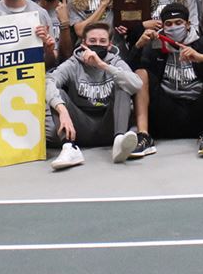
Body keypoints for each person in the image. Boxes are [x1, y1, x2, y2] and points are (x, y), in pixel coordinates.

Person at [134, 2, 203, 157]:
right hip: (166, 111)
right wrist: (138, 46)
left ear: (188, 25)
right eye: (168, 24)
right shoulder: (155, 46)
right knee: (140, 73)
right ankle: (143, 136)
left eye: (178, 23)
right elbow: (127, 74)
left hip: (197, 110)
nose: (173, 27)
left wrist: (202, 58)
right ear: (162, 27)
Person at [44, 23, 141, 170]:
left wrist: (103, 65)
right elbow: (49, 81)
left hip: (109, 124)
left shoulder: (115, 61)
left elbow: (136, 84)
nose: (97, 44)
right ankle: (70, 148)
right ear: (84, 44)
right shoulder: (73, 63)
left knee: (124, 84)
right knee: (59, 95)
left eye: (102, 41)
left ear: (109, 45)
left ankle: (119, 143)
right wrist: (62, 110)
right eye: (92, 41)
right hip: (80, 126)